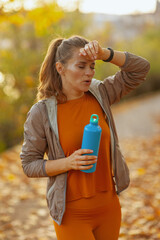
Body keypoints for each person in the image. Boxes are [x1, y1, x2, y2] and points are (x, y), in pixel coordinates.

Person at [20, 35, 150, 240]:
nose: (89, 72)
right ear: (60, 68)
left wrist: (104, 54)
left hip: (108, 207)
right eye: (81, 66)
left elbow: (141, 68)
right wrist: (68, 162)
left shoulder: (100, 93)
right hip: (71, 213)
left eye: (92, 66)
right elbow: (29, 165)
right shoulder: (42, 112)